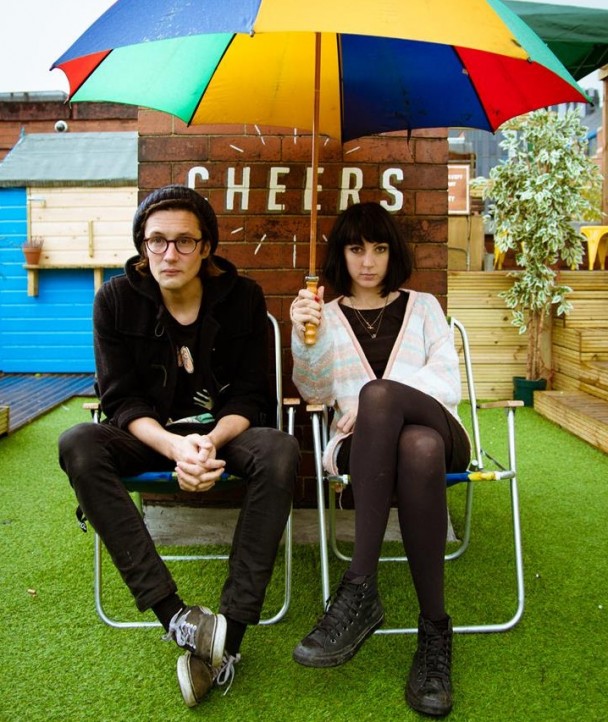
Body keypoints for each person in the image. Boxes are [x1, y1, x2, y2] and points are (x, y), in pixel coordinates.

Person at [58, 185, 299, 708]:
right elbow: (120, 401)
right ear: (142, 246)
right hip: (149, 436)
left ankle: (227, 637)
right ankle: (177, 617)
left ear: (206, 246)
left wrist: (207, 443)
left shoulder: (243, 298)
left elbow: (252, 395)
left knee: (280, 449)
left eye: (184, 241)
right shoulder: (114, 301)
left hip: (223, 435)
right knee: (78, 442)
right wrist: (174, 447)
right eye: (157, 241)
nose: (169, 254)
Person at [289, 202, 470, 717]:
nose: (368, 261)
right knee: (417, 448)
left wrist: (377, 402)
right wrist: (306, 338)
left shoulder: (424, 306)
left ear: (394, 253)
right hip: (366, 448)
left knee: (385, 401)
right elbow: (316, 394)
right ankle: (435, 632)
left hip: (440, 428)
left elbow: (446, 381)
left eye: (380, 248)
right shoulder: (324, 314)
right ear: (341, 255)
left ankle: (360, 586)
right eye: (356, 249)